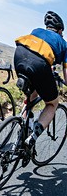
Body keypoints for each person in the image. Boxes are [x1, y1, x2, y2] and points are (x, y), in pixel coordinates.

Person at [14, 11, 67, 146]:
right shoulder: (63, 43)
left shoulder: (36, 31)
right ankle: (32, 138)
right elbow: (66, 72)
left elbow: (38, 53)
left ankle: (22, 129)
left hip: (19, 55)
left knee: (31, 95)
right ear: (60, 30)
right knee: (52, 103)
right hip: (39, 64)